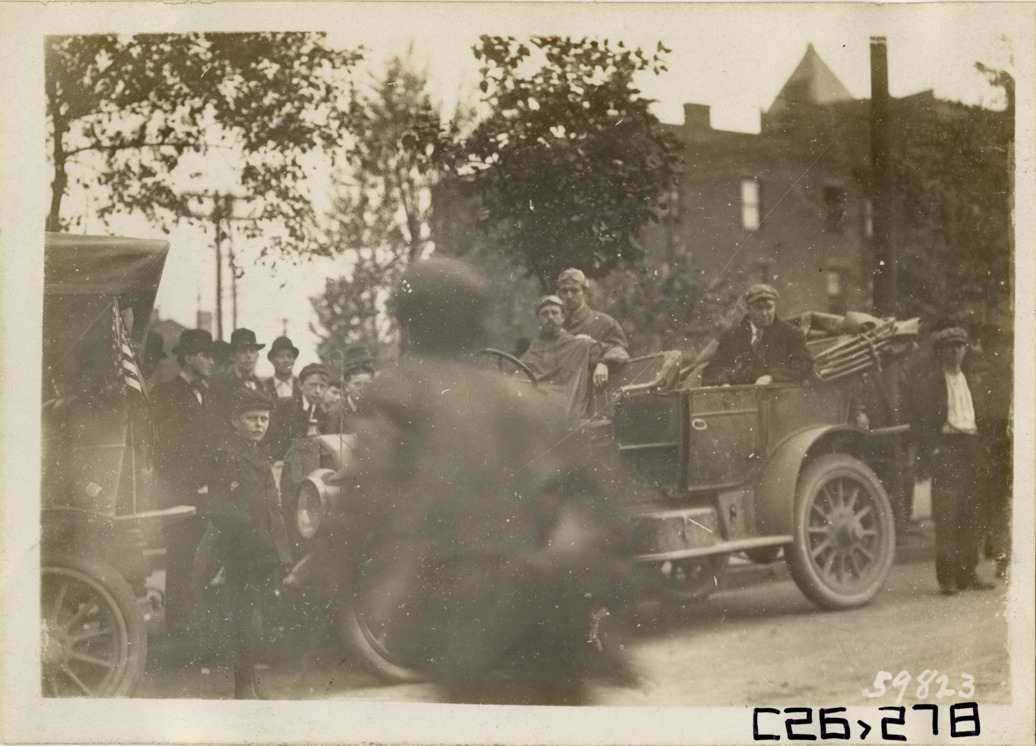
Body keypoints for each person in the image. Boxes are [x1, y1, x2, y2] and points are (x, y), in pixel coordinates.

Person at [336, 258, 636, 705]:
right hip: (554, 624)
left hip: (468, 629)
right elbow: (608, 509)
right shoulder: (525, 399)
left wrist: (322, 592)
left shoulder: (402, 392)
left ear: (409, 323)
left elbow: (361, 504)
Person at [203, 388, 292, 698]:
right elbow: (221, 509)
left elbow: (273, 510)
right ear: (235, 421)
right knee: (246, 619)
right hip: (242, 552)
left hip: (263, 552)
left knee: (255, 617)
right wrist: (249, 535)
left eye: (264, 419)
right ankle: (243, 688)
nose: (259, 425)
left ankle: (249, 685)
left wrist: (281, 555)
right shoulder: (228, 456)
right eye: (252, 418)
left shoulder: (257, 455)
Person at [908, 326, 996, 595]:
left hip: (972, 446)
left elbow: (985, 416)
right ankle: (947, 577)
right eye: (950, 347)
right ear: (941, 351)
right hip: (946, 447)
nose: (956, 352)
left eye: (960, 346)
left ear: (965, 350)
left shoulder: (973, 381)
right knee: (947, 515)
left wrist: (984, 446)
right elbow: (920, 422)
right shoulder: (931, 383)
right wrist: (933, 450)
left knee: (973, 513)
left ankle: (968, 573)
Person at [151, 329, 217, 634]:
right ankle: (178, 622)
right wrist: (194, 479)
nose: (211, 362)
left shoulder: (210, 394)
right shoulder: (165, 394)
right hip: (179, 487)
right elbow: (165, 448)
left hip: (207, 487)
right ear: (188, 358)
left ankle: (200, 617)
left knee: (205, 553)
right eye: (205, 355)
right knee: (180, 553)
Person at [701, 283, 813, 386]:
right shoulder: (731, 336)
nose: (764, 313)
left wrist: (772, 377)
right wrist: (722, 383)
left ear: (775, 307)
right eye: (758, 308)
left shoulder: (791, 334)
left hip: (777, 396)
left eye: (769, 307)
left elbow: (804, 363)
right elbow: (713, 368)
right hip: (738, 398)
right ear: (748, 309)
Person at [520, 294, 606, 422]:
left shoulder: (579, 344)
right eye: (544, 314)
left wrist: (602, 363)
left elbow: (612, 351)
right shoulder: (533, 349)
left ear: (563, 317)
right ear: (538, 319)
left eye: (554, 313)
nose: (550, 317)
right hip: (533, 406)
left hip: (563, 409)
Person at [555, 267, 630, 388]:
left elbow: (621, 352)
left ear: (584, 293)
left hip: (594, 390)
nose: (568, 296)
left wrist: (603, 363)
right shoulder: (556, 326)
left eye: (574, 290)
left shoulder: (605, 323)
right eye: (564, 291)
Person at [209, 328, 266, 428]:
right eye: (243, 351)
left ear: (257, 356)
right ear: (232, 356)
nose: (248, 356)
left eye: (252, 351)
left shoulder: (260, 385)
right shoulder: (223, 385)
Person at [323, 346, 375, 434]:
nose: (362, 389)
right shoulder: (334, 413)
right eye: (357, 384)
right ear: (346, 387)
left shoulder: (376, 411)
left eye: (366, 385)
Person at [262, 335, 302, 402]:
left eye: (289, 356)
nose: (286, 360)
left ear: (294, 360)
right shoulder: (263, 388)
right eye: (281, 356)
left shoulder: (302, 386)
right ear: (272, 360)